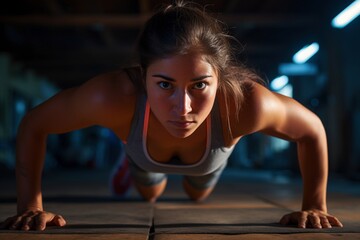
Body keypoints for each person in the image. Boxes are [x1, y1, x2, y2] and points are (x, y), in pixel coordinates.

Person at [0, 1, 343, 231]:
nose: (183, 108)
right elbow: (35, 123)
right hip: (143, 152)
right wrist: (30, 205)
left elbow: (311, 130)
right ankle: (131, 158)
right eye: (164, 85)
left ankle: (172, 170)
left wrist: (315, 205)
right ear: (142, 75)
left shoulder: (245, 104)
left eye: (199, 85)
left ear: (220, 80)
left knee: (197, 194)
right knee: (149, 192)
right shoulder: (113, 96)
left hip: (209, 159)